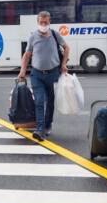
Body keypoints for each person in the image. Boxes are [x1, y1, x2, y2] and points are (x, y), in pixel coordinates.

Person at [17, 11, 70, 141]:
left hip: (53, 74)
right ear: (38, 22)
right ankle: (40, 130)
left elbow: (66, 48)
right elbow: (26, 55)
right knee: (39, 101)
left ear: (49, 22)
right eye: (41, 22)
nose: (44, 24)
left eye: (46, 22)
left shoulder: (55, 34)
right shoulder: (33, 37)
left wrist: (63, 64)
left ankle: (47, 125)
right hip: (37, 74)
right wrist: (22, 72)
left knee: (50, 102)